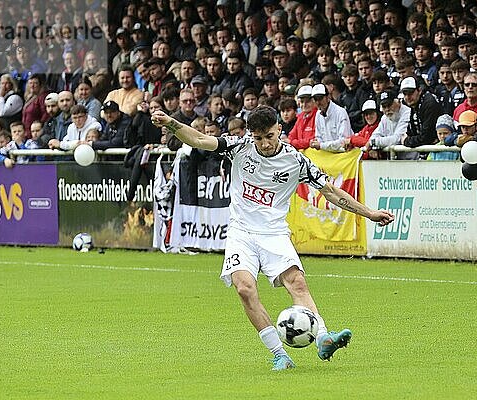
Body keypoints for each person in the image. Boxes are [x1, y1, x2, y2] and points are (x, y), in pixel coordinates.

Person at [150, 105, 394, 371]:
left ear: (279, 129)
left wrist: (369, 213)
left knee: (297, 283)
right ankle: (280, 354)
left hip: (274, 232)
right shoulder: (239, 147)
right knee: (244, 288)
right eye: (258, 138)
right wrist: (171, 122)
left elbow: (331, 192)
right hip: (241, 231)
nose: (264, 143)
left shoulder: (295, 161)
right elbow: (198, 139)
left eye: (268, 136)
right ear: (250, 135)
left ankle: (323, 337)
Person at [309, 84, 352, 152]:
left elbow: (344, 141)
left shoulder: (340, 112)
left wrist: (321, 145)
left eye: (320, 98)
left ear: (328, 97)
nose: (318, 102)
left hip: (343, 155)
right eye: (315, 99)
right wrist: (315, 143)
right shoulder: (318, 114)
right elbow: (319, 137)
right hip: (328, 154)